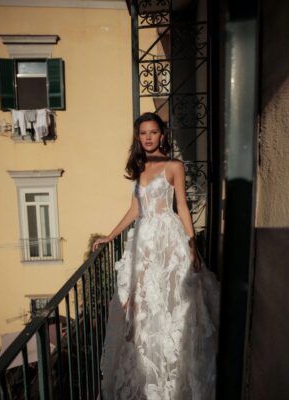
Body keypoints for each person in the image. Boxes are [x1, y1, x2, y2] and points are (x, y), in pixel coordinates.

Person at [92, 112, 220, 400]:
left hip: (167, 241)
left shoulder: (174, 166)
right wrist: (110, 236)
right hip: (143, 242)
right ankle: (148, 378)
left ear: (162, 135)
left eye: (153, 132)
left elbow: (183, 207)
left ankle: (174, 376)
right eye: (143, 133)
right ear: (138, 137)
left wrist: (190, 244)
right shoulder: (138, 167)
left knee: (171, 302)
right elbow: (135, 210)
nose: (148, 137)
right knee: (141, 304)